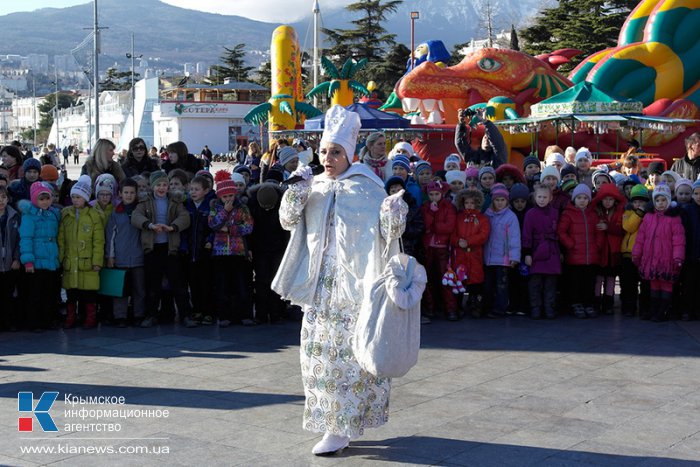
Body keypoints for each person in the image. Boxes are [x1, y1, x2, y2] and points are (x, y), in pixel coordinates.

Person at [271, 105, 406, 456]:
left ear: (350, 154)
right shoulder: (313, 185)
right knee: (319, 357)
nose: (328, 159)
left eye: (335, 152)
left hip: (355, 287)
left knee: (351, 357)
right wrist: (296, 192)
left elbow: (387, 235)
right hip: (318, 286)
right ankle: (332, 423)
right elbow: (287, 221)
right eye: (324, 152)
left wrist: (394, 214)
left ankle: (343, 425)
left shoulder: (368, 188)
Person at [131, 170, 193, 328]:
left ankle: (186, 314)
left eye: (165, 184)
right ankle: (151, 314)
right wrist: (149, 225)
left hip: (170, 247)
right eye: (158, 184)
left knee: (178, 284)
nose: (162, 187)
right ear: (152, 186)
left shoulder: (175, 201)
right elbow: (135, 217)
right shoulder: (144, 202)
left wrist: (173, 227)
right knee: (153, 285)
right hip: (152, 248)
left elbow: (185, 217)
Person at [632, 183, 685, 322]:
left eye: (663, 200)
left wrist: (678, 257)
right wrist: (636, 254)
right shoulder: (648, 217)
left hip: (666, 259)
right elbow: (640, 238)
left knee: (666, 284)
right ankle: (654, 309)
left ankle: (663, 311)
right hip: (650, 258)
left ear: (668, 201)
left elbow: (678, 240)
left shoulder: (674, 219)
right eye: (657, 200)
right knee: (654, 284)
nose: (660, 203)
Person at [58, 175, 105, 329]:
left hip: (87, 261)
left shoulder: (94, 216)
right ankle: (71, 317)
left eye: (78, 197)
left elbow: (98, 241)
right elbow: (62, 239)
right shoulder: (66, 214)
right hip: (71, 261)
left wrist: (97, 261)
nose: (75, 200)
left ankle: (90, 317)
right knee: (71, 293)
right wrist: (61, 258)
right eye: (73, 197)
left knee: (88, 293)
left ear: (85, 198)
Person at [209, 178, 254, 326]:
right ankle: (224, 316)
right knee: (222, 285)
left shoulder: (243, 208)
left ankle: (244, 315)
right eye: (225, 196)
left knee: (241, 284)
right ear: (220, 197)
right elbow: (213, 224)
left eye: (231, 196)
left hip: (238, 251)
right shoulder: (216, 208)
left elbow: (248, 227)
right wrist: (224, 212)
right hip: (220, 252)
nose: (228, 199)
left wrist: (230, 229)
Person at [19, 182, 61, 331]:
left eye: (47, 198)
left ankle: (49, 319)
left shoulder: (53, 214)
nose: (45, 202)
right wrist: (28, 261)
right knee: (36, 293)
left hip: (51, 259)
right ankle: (34, 321)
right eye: (41, 199)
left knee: (50, 292)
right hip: (36, 261)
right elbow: (26, 239)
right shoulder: (29, 216)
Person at [247, 179, 289, 324]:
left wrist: (285, 249)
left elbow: (285, 231)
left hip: (277, 248)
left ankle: (276, 312)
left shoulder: (283, 205)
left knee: (276, 281)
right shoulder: (251, 205)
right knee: (261, 281)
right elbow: (250, 231)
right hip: (259, 249)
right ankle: (261, 314)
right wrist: (250, 248)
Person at [106, 178, 146, 327]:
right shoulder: (116, 213)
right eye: (126, 192)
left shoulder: (141, 211)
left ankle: (138, 314)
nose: (128, 195)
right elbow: (111, 237)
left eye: (132, 193)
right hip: (121, 257)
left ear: (136, 194)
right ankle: (120, 316)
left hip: (138, 257)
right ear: (120, 194)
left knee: (139, 288)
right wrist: (110, 255)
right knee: (120, 290)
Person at [558, 184, 601, 318]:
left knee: (589, 282)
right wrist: (570, 244)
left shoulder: (593, 215)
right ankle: (576, 303)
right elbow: (561, 232)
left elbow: (598, 232)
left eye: (585, 198)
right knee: (575, 282)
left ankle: (588, 303)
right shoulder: (568, 214)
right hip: (574, 257)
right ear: (574, 199)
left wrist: (597, 245)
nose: (582, 200)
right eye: (579, 198)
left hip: (590, 256)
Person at [181, 175, 216, 325]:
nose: (193, 192)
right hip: (190, 250)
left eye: (197, 189)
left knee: (206, 282)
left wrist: (210, 240)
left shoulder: (210, 205)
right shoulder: (186, 205)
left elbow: (215, 226)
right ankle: (197, 310)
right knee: (193, 283)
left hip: (205, 251)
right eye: (191, 189)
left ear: (206, 190)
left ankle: (208, 312)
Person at [522, 186, 561, 319]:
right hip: (536, 251)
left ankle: (549, 308)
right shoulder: (530, 213)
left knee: (551, 283)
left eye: (545, 197)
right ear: (535, 197)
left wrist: (560, 251)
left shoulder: (555, 213)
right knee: (535, 283)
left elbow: (559, 232)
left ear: (550, 198)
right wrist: (527, 253)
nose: (542, 200)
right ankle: (535, 308)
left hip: (552, 251)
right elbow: (526, 235)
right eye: (539, 197)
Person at [483, 183, 520, 318]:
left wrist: (514, 257)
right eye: (497, 200)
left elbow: (514, 238)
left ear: (507, 201)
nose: (499, 203)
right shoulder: (487, 214)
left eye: (502, 200)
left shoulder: (510, 217)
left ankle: (500, 309)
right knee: (488, 285)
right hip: (488, 258)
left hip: (503, 258)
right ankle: (487, 307)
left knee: (501, 285)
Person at [421, 179, 457, 320]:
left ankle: (450, 309)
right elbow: (424, 224)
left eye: (437, 194)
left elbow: (448, 227)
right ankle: (429, 308)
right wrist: (431, 213)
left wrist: (434, 226)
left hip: (442, 248)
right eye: (432, 194)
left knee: (445, 279)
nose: (434, 197)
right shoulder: (425, 207)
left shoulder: (448, 207)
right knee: (428, 279)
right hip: (428, 247)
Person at [451, 189, 490, 319]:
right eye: (467, 202)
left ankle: (475, 305)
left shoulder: (482, 218)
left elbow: (483, 235)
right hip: (461, 255)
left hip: (475, 255)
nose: (469, 205)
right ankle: (458, 306)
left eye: (472, 203)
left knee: (476, 282)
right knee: (460, 281)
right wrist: (458, 241)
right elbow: (452, 234)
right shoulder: (458, 218)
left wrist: (468, 242)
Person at [591, 183, 625, 315]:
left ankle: (608, 303)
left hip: (613, 251)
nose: (607, 202)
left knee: (611, 278)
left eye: (610, 199)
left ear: (615, 200)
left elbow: (622, 229)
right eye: (605, 199)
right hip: (600, 251)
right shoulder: (596, 212)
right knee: (599, 278)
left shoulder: (620, 212)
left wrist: (608, 227)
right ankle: (596, 301)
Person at [621, 185, 650, 318]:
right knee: (628, 284)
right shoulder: (628, 213)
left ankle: (645, 307)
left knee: (645, 284)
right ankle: (628, 306)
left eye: (642, 202)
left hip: (645, 255)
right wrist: (639, 213)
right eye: (636, 202)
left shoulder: (650, 215)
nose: (638, 204)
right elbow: (629, 227)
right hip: (629, 254)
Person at [0, 185, 21, 330]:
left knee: (8, 294)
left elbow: (20, 240)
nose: (0, 201)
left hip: (9, 262)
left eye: (3, 197)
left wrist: (17, 258)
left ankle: (9, 321)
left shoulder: (14, 216)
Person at [681, 180, 700, 321]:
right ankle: (687, 309)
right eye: (696, 193)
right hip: (690, 254)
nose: (698, 196)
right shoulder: (687, 210)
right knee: (689, 284)